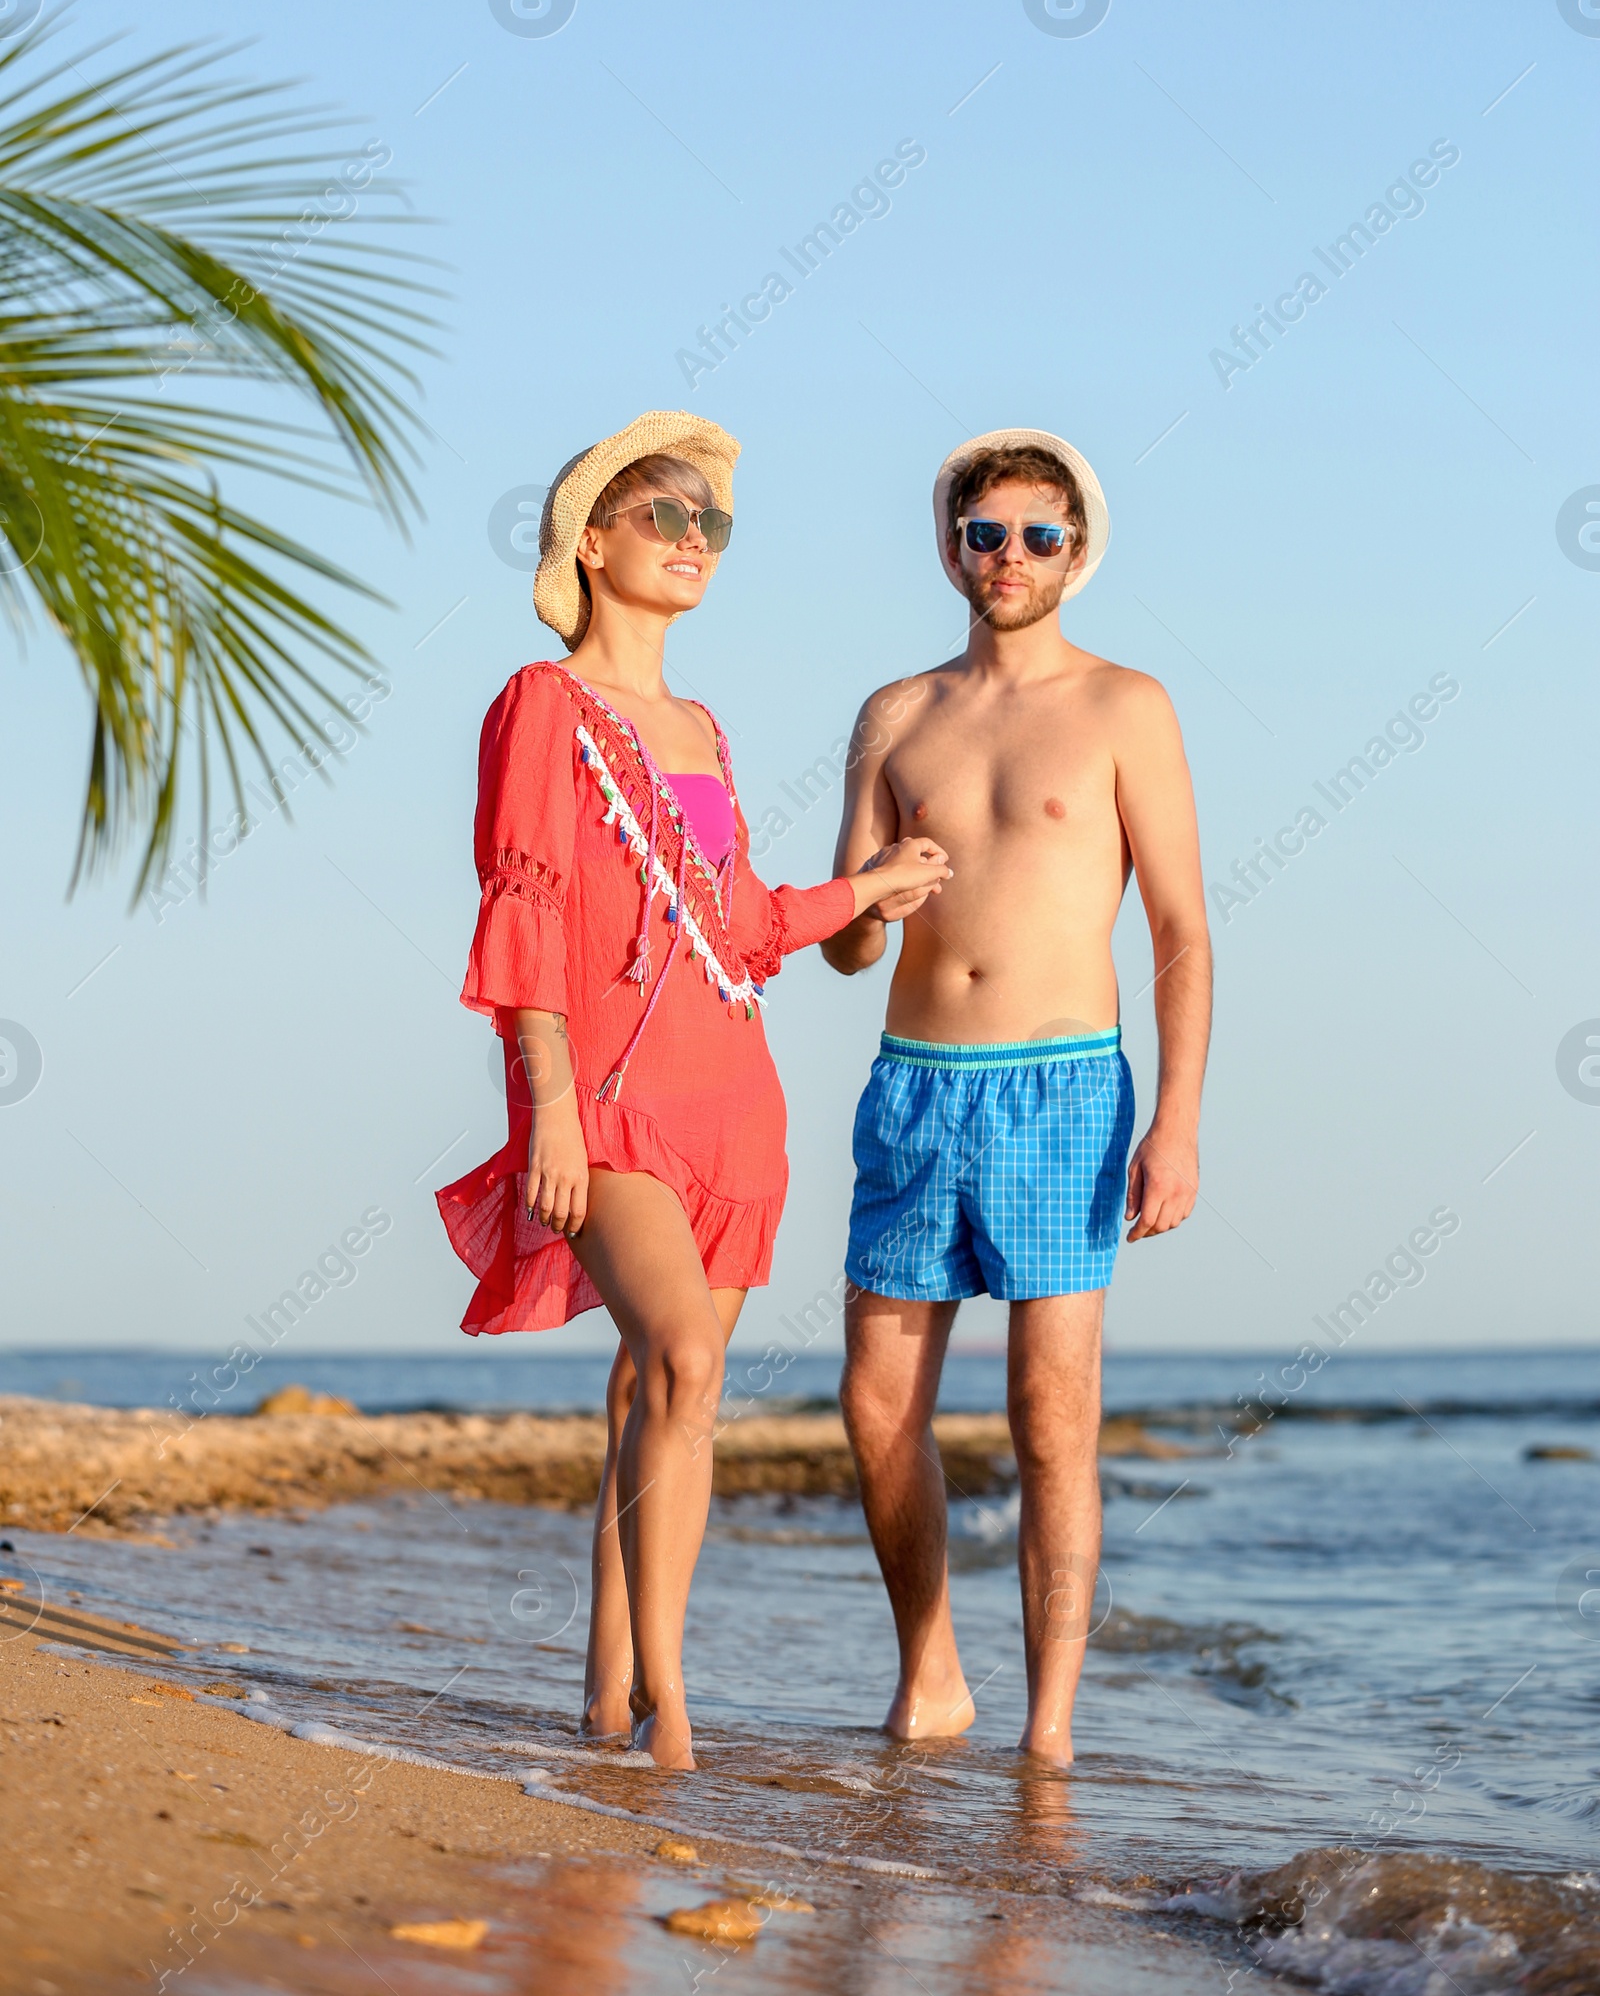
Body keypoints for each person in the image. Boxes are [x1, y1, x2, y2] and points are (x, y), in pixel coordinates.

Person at [436, 410, 949, 1771]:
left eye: (710, 523)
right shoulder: (542, 706)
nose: (692, 541)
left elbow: (730, 928)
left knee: (647, 1393)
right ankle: (673, 1700)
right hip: (602, 1099)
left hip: (734, 1098)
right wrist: (542, 1098)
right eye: (662, 516)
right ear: (592, 541)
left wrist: (867, 892)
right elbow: (527, 908)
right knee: (688, 1361)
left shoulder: (703, 728)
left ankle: (605, 1696)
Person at [822, 427, 1211, 1767]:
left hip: (1061, 1089)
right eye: (987, 534)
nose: (1010, 557)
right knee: (876, 1404)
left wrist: (1177, 1120)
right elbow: (845, 941)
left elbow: (1181, 933)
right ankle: (931, 1673)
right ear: (951, 548)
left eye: (1039, 536)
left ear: (1078, 553)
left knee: (1053, 1416)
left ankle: (1049, 1734)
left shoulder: (1126, 707)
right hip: (917, 1085)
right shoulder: (896, 715)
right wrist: (873, 898)